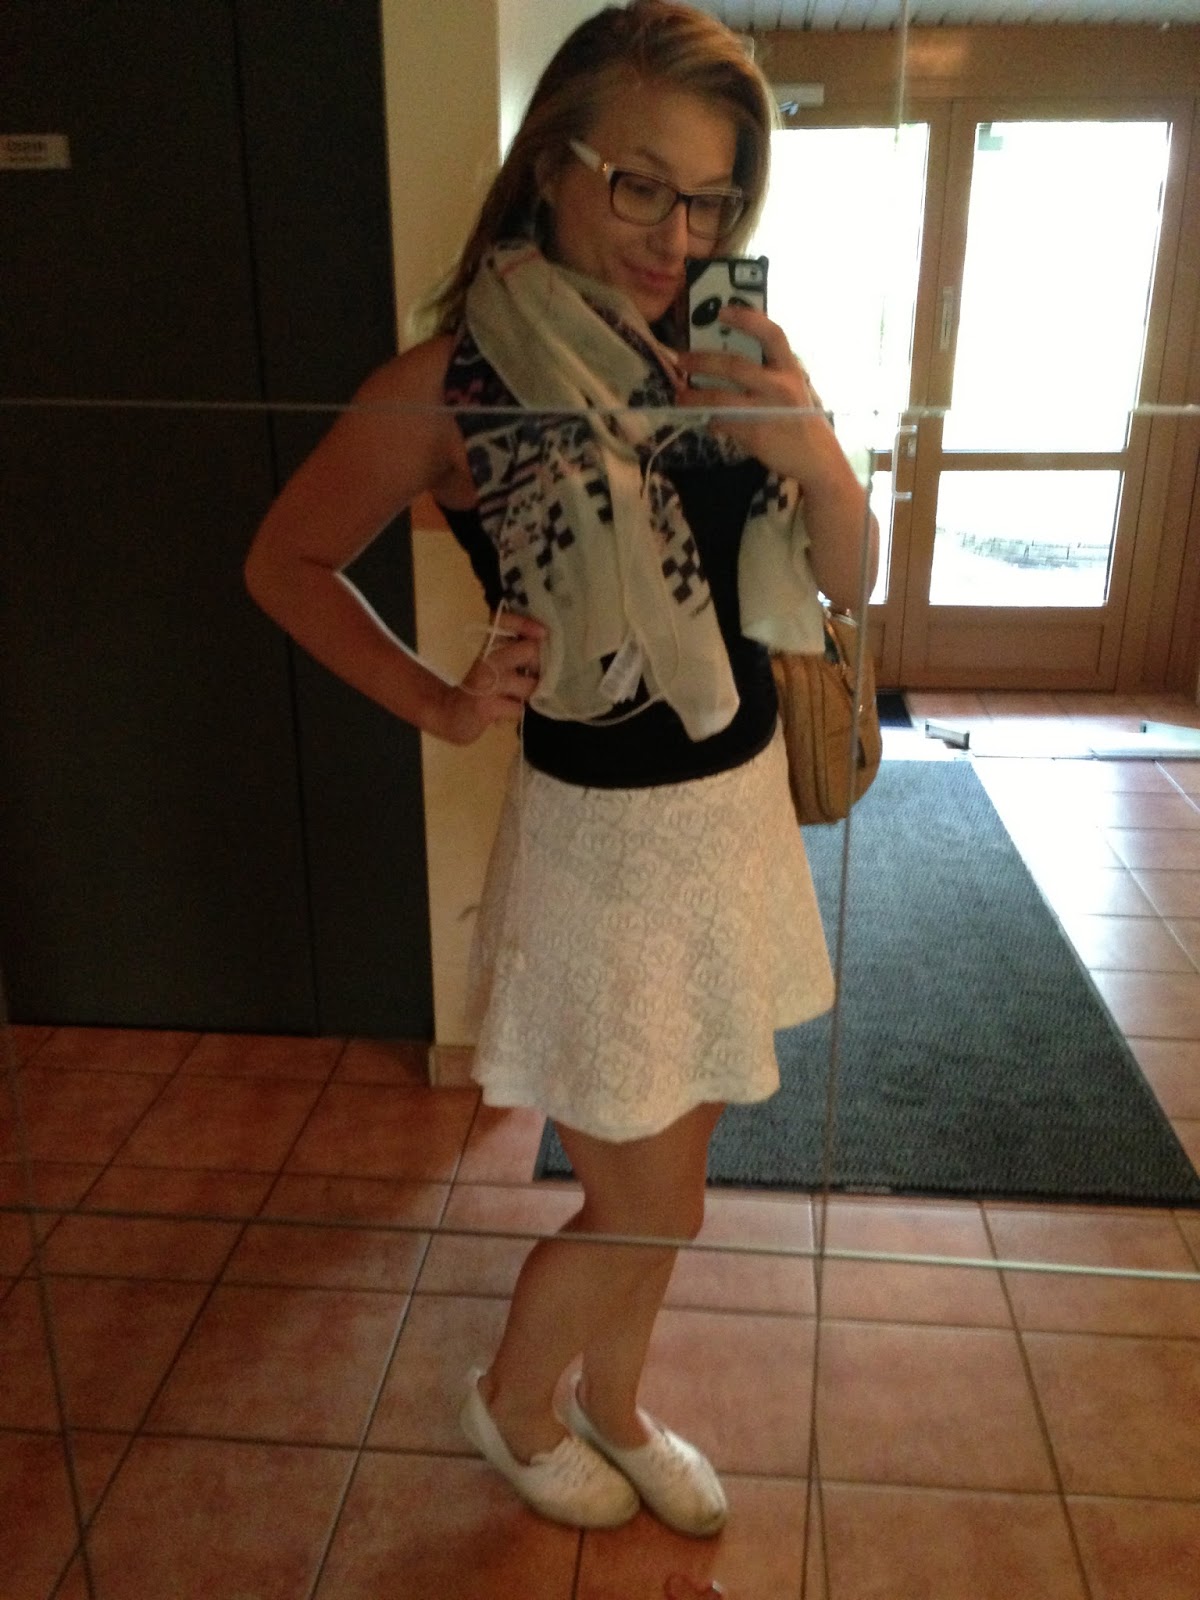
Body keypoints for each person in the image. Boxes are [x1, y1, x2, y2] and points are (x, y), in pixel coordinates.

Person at [245, 0, 877, 1539]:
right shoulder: (450, 387)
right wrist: (444, 703)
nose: (681, 235)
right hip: (599, 849)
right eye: (642, 184)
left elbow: (848, 580)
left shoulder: (722, 353)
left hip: (731, 820)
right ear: (551, 167)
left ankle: (616, 1404)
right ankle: (517, 1405)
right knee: (649, 1201)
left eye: (714, 197)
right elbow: (286, 562)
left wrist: (812, 447)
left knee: (674, 1182)